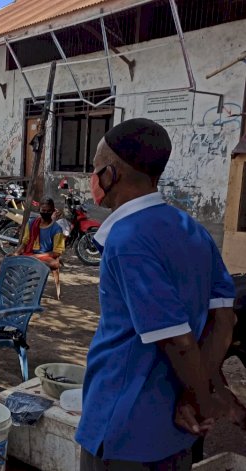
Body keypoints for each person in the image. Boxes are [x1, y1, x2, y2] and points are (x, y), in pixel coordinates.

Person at [75, 118, 243, 470]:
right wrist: (196, 395)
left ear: (111, 173)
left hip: (124, 424)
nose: (92, 178)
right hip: (176, 427)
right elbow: (224, 319)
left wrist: (198, 398)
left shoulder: (127, 240)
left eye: (94, 168)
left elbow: (177, 340)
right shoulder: (192, 230)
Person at [0, 197, 64, 308]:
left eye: (48, 211)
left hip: (45, 256)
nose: (46, 213)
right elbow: (24, 242)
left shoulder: (56, 229)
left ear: (53, 210)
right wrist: (16, 253)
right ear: (39, 210)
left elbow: (56, 253)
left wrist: (38, 256)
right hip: (29, 254)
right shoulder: (32, 223)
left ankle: (25, 299)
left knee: (51, 264)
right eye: (43, 211)